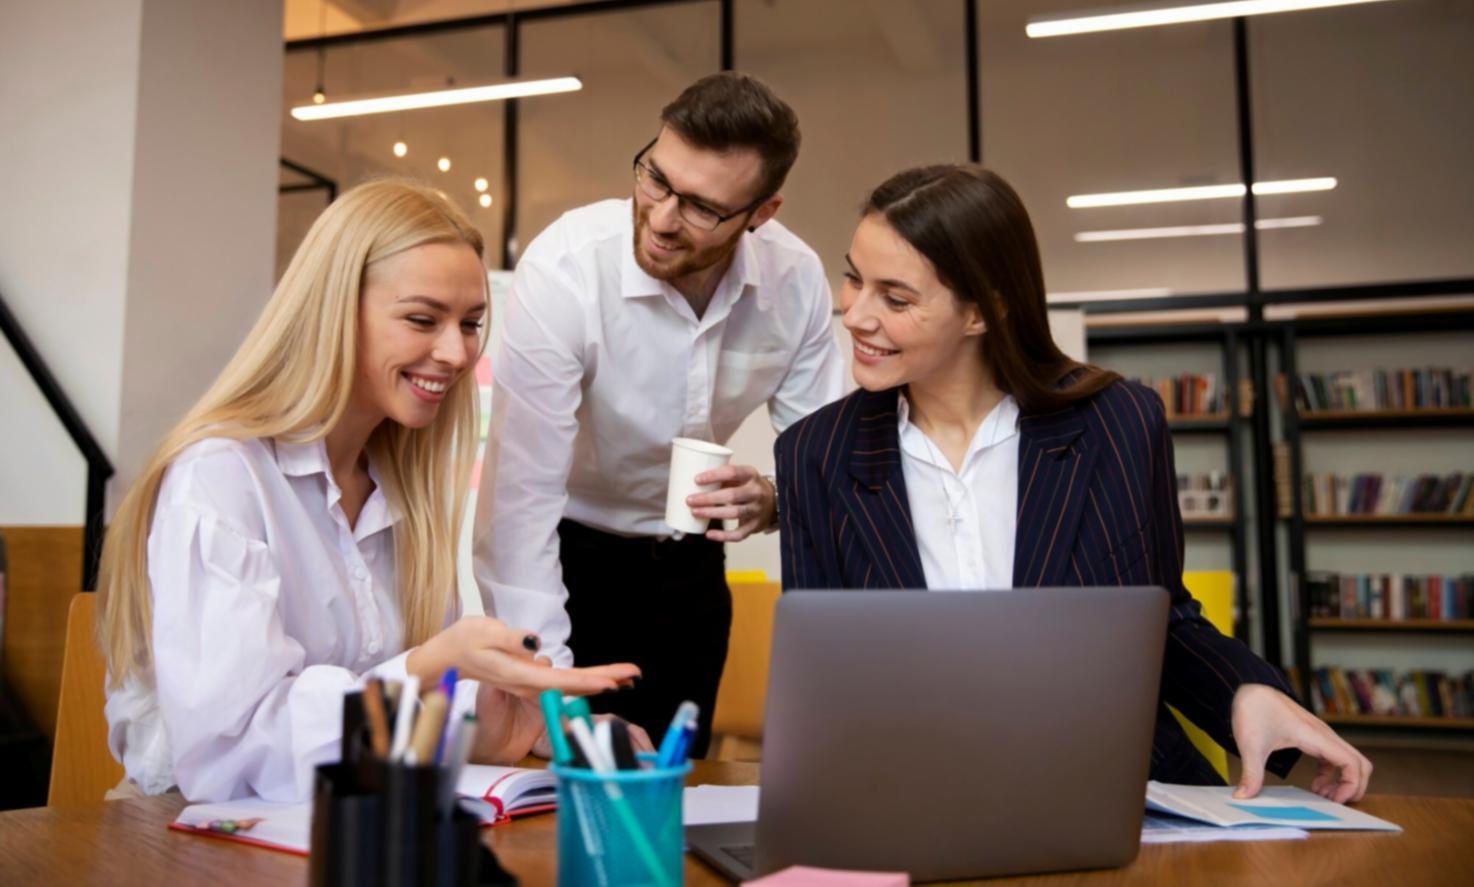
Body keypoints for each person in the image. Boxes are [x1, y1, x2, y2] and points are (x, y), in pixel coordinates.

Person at [775, 164, 1372, 802]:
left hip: (1112, 788)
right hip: (914, 797)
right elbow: (823, 678)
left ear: (983, 310)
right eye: (854, 279)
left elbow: (1158, 620)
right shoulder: (814, 454)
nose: (854, 314)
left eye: (895, 299)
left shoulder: (1118, 423)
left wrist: (1246, 693)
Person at [98, 179, 640, 803]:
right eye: (422, 319)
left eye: (471, 324)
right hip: (180, 829)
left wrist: (501, 721)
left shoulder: (400, 490)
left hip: (348, 816)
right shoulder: (220, 475)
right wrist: (429, 668)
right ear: (334, 311)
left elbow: (386, 717)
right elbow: (233, 755)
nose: (457, 353)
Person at [475, 72, 847, 755]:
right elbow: (519, 503)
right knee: (564, 783)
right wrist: (554, 698)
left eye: (702, 207)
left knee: (676, 787)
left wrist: (773, 498)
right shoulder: (567, 267)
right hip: (570, 562)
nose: (663, 217)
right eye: (655, 178)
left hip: (692, 571)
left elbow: (827, 460)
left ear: (762, 212)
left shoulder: (794, 282)